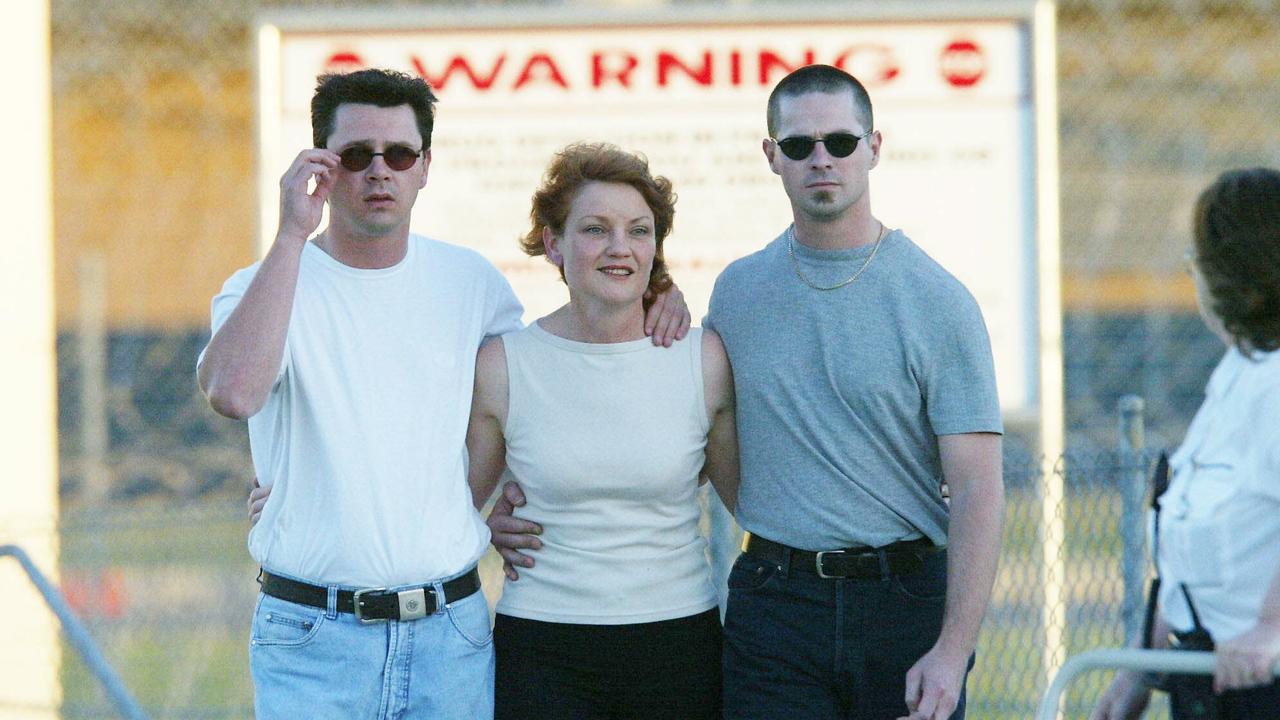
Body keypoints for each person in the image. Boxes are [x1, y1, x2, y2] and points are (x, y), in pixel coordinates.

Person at [491, 64, 1005, 720]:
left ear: (874, 148)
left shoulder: (938, 301)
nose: (821, 159)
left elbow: (980, 488)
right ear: (772, 157)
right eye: (798, 145)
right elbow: (676, 397)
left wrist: (953, 650)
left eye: (841, 142)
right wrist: (658, 293)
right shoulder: (740, 291)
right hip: (777, 603)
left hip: (902, 602)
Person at [198, 69, 688, 719]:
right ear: (323, 165)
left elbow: (549, 378)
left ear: (424, 167)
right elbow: (233, 392)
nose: (380, 172)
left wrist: (657, 289)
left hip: (448, 636)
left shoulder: (471, 283)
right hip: (314, 637)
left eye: (399, 154)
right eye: (355, 156)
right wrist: (291, 234)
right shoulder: (264, 284)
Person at [468, 142, 738, 719]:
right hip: (543, 647)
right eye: (596, 229)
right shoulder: (504, 365)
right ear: (553, 244)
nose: (620, 248)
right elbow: (452, 505)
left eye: (639, 231)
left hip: (678, 645)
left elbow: (757, 502)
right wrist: (487, 524)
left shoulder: (703, 359)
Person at [1091, 167, 1280, 720]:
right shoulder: (1240, 373)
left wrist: (1271, 628)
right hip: (1212, 681)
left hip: (1261, 677)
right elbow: (1187, 547)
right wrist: (1141, 668)